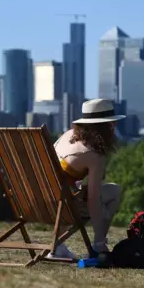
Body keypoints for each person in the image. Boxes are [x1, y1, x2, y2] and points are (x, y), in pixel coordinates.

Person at [48, 98, 125, 259]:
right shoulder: (93, 155)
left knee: (68, 191)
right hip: (65, 206)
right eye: (111, 123)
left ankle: (58, 245)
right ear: (102, 127)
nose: (114, 126)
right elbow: (93, 200)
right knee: (115, 191)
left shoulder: (68, 135)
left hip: (44, 201)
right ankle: (98, 245)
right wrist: (99, 234)